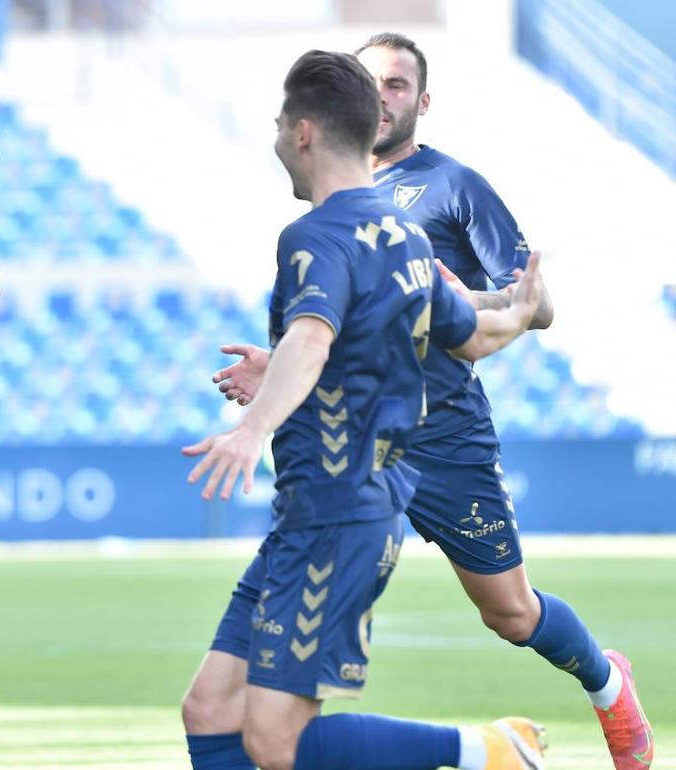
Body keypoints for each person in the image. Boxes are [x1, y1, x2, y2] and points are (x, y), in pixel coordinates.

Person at [214, 33, 653, 770]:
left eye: (396, 84)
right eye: (370, 82)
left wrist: (454, 296)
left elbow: (535, 306)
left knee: (510, 613)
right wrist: (283, 365)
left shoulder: (453, 187)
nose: (381, 96)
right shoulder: (335, 201)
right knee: (228, 703)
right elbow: (336, 331)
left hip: (444, 435)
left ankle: (608, 686)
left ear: (421, 101)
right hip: (357, 446)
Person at [179, 50, 549, 770]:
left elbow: (311, 337)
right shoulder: (404, 235)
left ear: (304, 131)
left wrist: (252, 429)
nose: (277, 138)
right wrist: (520, 308)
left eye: (280, 124)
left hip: (337, 512)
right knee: (211, 711)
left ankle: (486, 750)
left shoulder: (314, 234)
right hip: (327, 510)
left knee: (276, 741)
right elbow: (472, 336)